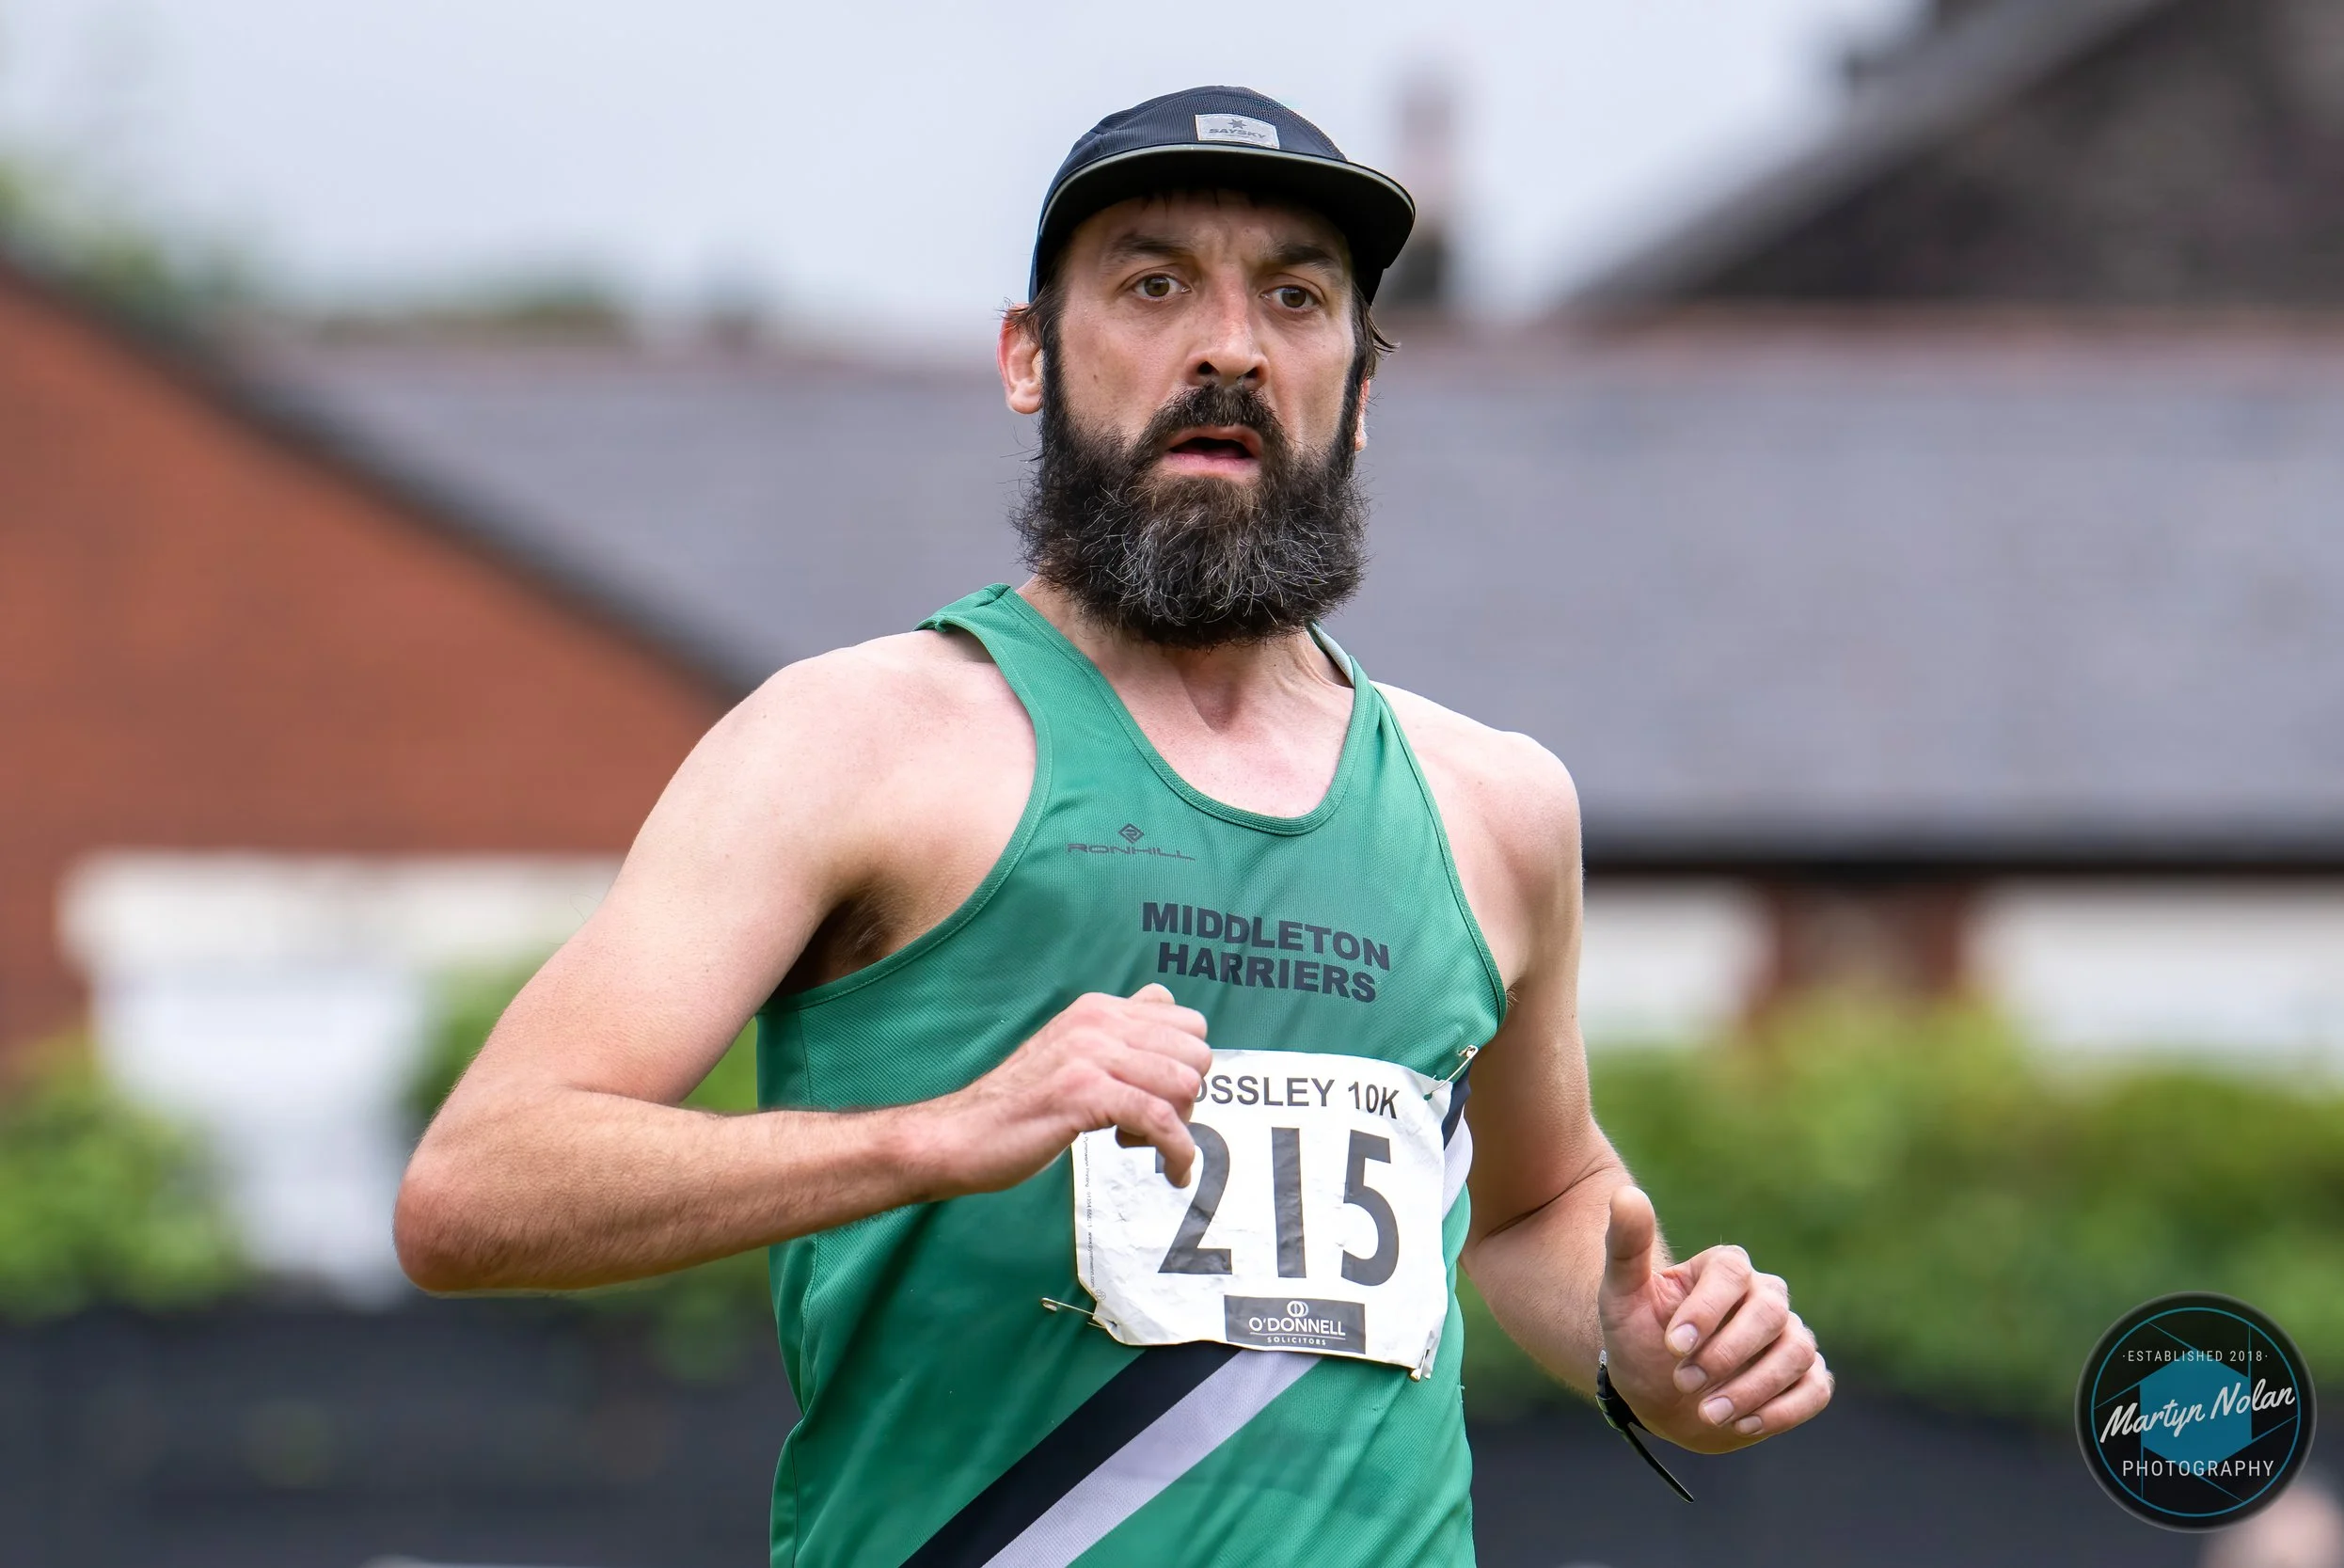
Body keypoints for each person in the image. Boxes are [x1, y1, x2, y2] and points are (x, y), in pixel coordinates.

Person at [395, 85, 1833, 1566]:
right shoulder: (852, 741)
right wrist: (937, 1135)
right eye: (1155, 285)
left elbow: (1536, 1202)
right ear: (1028, 357)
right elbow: (476, 1185)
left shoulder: (1498, 806)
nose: (1231, 347)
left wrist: (1646, 1346)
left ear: (1359, 386)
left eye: (1296, 298)